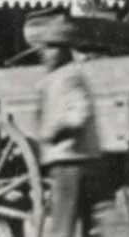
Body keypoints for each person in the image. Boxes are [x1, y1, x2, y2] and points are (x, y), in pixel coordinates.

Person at [37, 32, 103, 237]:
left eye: (50, 49)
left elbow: (80, 112)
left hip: (69, 162)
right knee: (85, 228)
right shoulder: (59, 77)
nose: (45, 55)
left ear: (63, 51)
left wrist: (55, 130)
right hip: (73, 161)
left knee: (62, 228)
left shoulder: (69, 76)